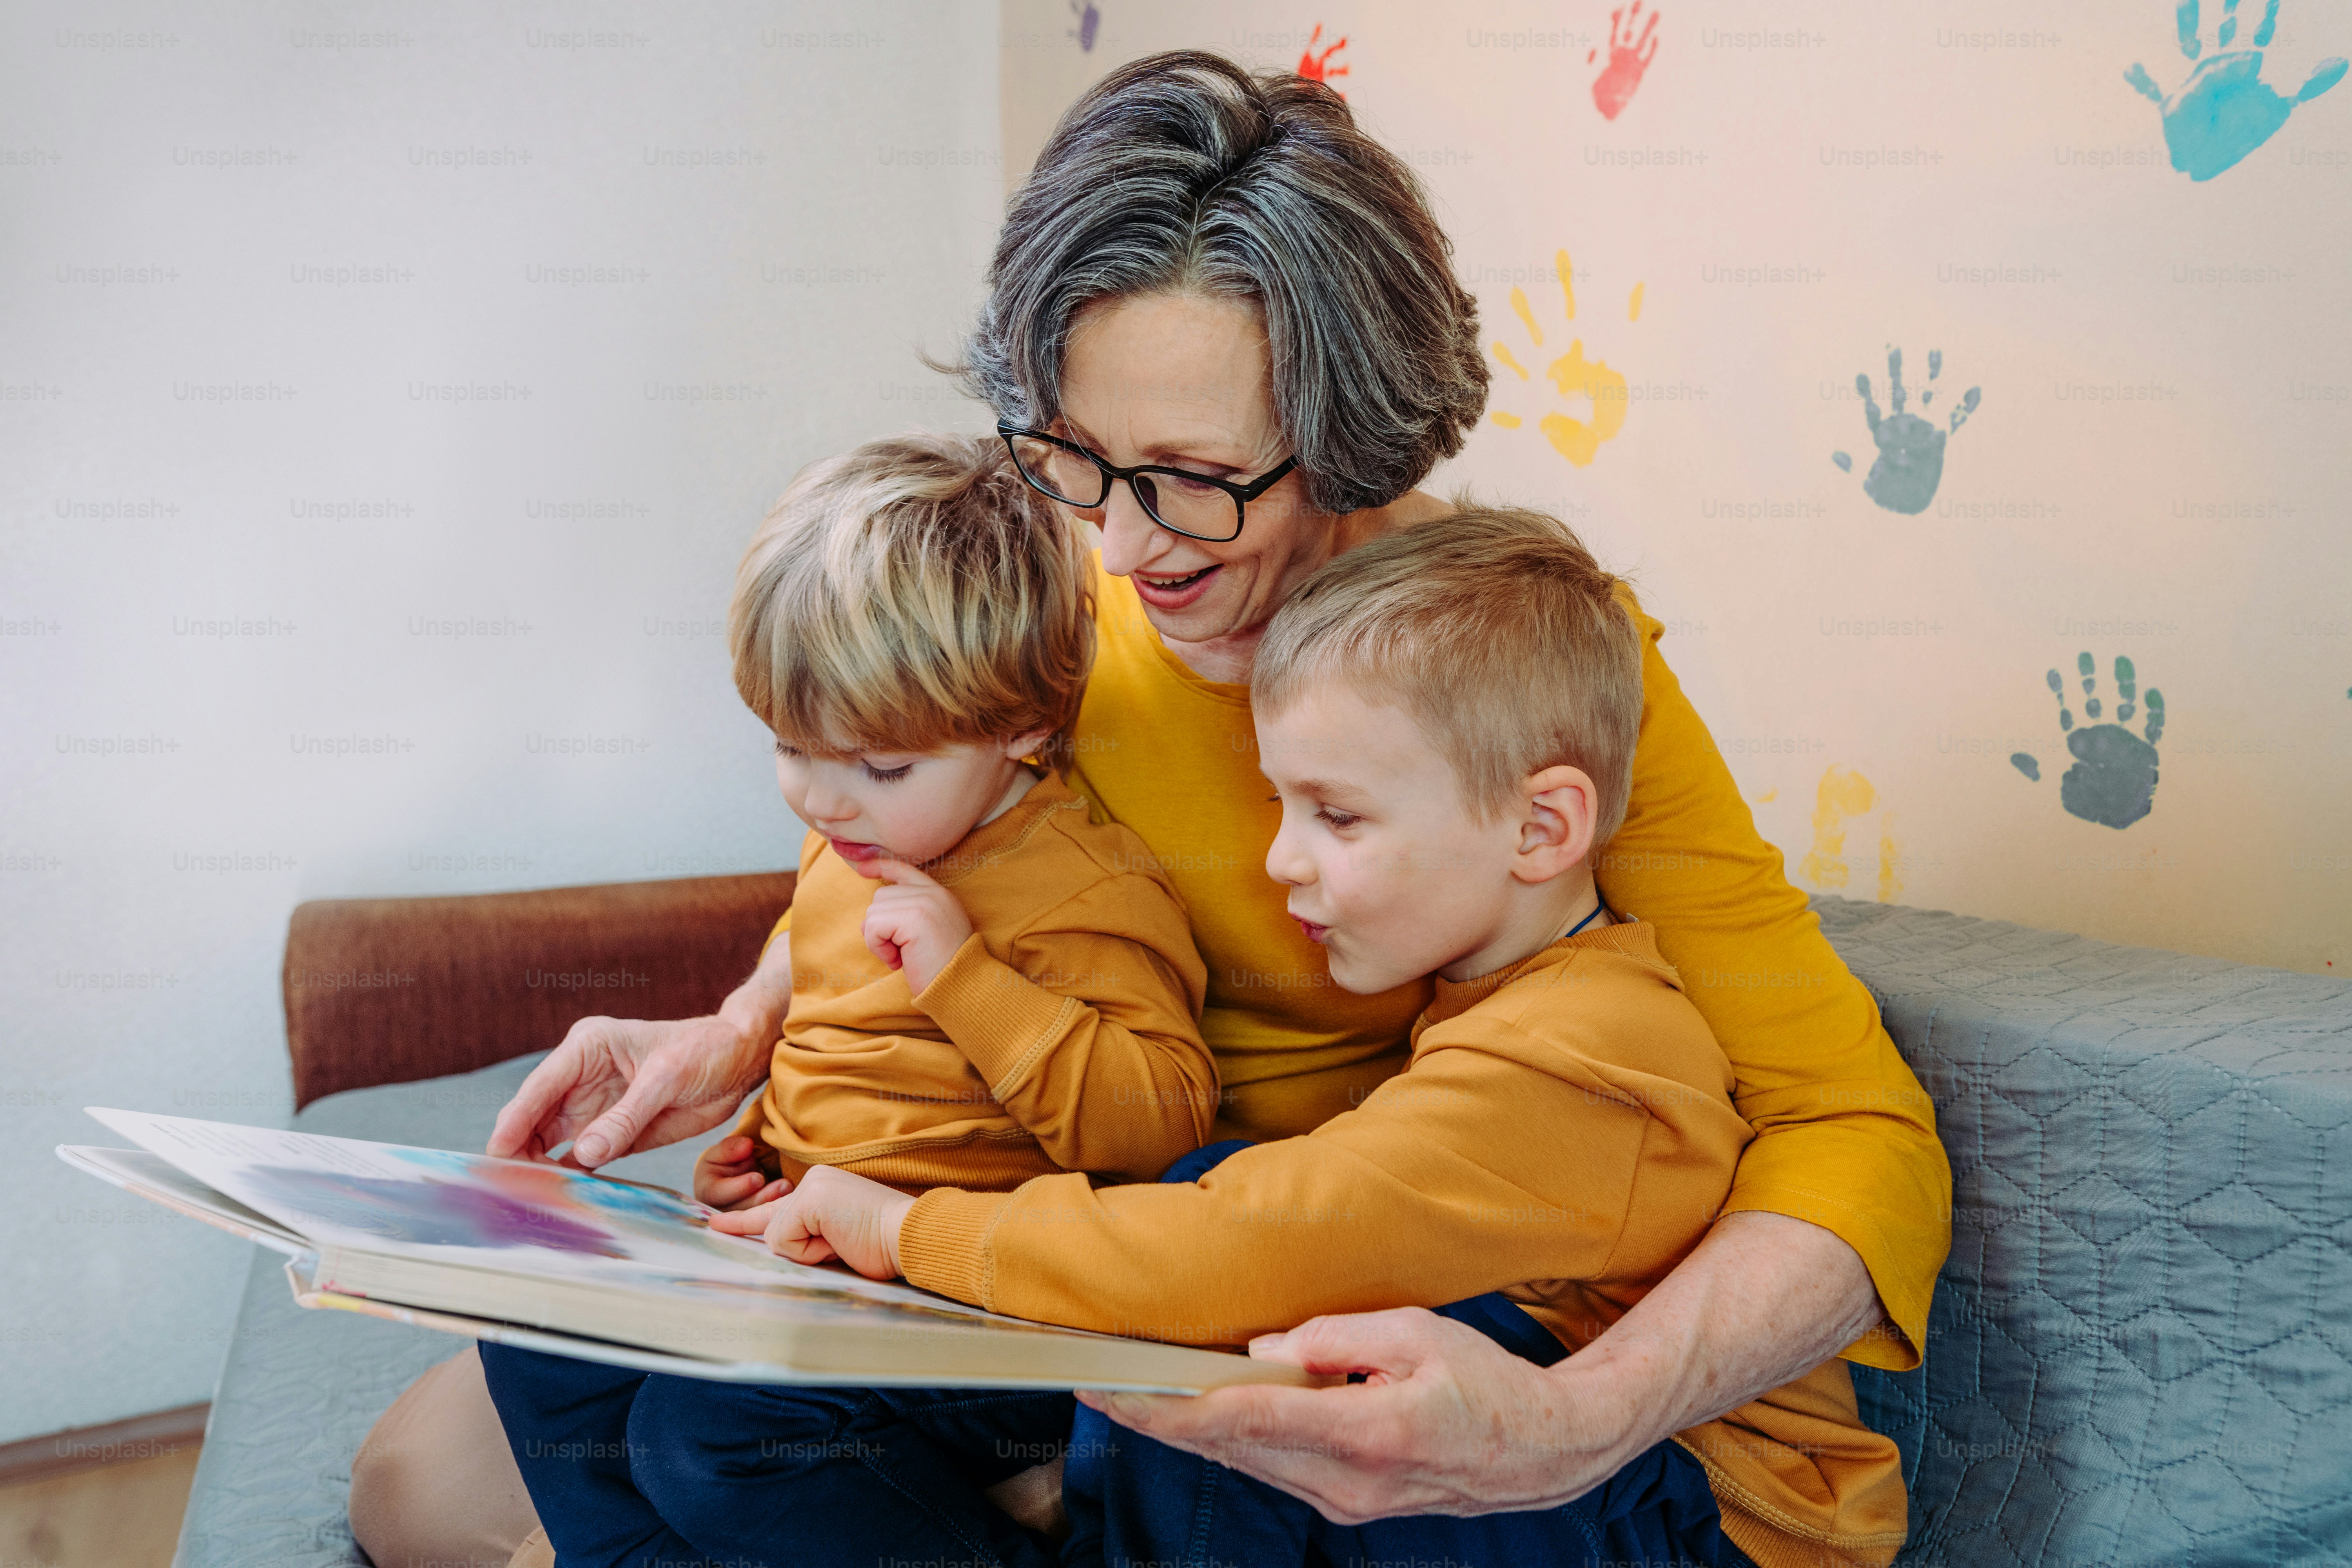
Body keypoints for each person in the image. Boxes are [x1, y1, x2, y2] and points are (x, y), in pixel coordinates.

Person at [350, 52, 1948, 1568]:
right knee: (418, 1482)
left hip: (1262, 1263)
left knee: (720, 1464)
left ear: (1347, 441)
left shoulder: (1506, 676)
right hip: (1058, 1232)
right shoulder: (1063, 608)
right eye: (1075, 457)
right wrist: (742, 1028)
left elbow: (1852, 1133)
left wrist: (1576, 1423)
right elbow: (910, 838)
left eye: (1193, 476)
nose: (1122, 547)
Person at [728, 505, 1907, 1568]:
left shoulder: (1581, 1055)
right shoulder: (1515, 997)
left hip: (1706, 1518)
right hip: (1582, 1460)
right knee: (1232, 1288)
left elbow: (1246, 1246)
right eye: (1284, 803)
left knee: (1234, 1358)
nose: (1279, 860)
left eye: (1335, 815)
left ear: (1542, 827)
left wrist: (903, 1228)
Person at [471, 433, 1217, 1568]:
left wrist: (968, 981)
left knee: (710, 1439)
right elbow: (844, 1017)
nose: (823, 800)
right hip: (813, 1263)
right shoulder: (860, 841)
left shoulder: (1081, 888)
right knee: (529, 1321)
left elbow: (1162, 1116)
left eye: (878, 766)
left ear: (1024, 726)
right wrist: (769, 1130)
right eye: (791, 747)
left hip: (984, 1309)